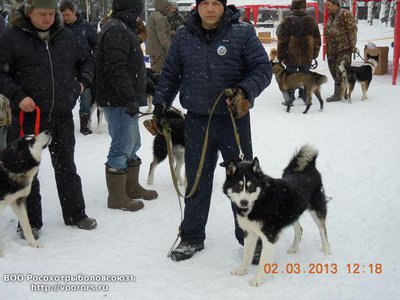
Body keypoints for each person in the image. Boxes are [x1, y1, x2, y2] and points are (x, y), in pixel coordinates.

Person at [152, 0, 272, 261]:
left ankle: (250, 238)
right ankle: (191, 237)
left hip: (233, 120)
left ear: (223, 5)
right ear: (197, 6)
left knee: (244, 182)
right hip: (197, 121)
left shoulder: (242, 32)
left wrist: (244, 90)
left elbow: (263, 68)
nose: (209, 9)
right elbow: (171, 74)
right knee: (196, 180)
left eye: (215, 3)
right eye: (204, 3)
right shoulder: (183, 36)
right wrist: (160, 103)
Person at [0, 0, 97, 238]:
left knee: (67, 167)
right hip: (28, 117)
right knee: (25, 171)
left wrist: (82, 83)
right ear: (29, 12)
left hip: (61, 115)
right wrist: (18, 95)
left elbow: (87, 61)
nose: (48, 18)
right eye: (42, 14)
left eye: (52, 14)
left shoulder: (67, 36)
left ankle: (76, 213)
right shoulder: (12, 38)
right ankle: (31, 222)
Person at [96, 0, 158, 212]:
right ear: (131, 9)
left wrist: (147, 81)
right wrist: (129, 97)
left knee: (133, 144)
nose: (139, 14)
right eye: (138, 10)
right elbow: (116, 68)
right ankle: (116, 197)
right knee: (122, 144)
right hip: (118, 100)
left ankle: (131, 187)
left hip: (125, 98)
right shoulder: (116, 30)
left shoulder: (123, 28)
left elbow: (129, 65)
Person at [60, 1, 97, 135]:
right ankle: (63, 122)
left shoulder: (86, 27)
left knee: (86, 94)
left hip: (85, 64)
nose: (65, 18)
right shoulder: (59, 28)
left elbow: (96, 44)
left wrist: (94, 60)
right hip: (66, 66)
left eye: (67, 15)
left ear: (74, 13)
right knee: (66, 95)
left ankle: (84, 123)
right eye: (63, 15)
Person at [277, 0, 321, 105]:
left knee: (290, 77)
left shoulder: (287, 21)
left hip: (290, 56)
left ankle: (290, 98)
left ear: (292, 7)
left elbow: (282, 40)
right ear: (304, 7)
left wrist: (281, 56)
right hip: (307, 56)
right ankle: (305, 96)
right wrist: (314, 54)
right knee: (305, 76)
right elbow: (317, 40)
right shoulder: (311, 20)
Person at [325, 0, 357, 102]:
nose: (327, 8)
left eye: (329, 5)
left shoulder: (345, 14)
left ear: (335, 5)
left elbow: (352, 31)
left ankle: (340, 94)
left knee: (342, 71)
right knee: (333, 71)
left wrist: (352, 46)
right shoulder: (331, 17)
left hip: (343, 49)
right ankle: (339, 92)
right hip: (331, 50)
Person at [146, 0, 172, 72]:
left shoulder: (153, 15)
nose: (168, 10)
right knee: (158, 72)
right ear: (162, 7)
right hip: (159, 50)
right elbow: (162, 36)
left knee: (154, 71)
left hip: (154, 49)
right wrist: (170, 48)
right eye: (167, 8)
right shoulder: (160, 18)